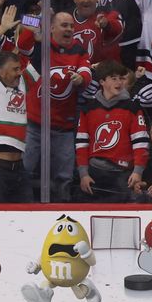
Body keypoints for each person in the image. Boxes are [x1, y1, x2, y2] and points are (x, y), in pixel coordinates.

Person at [23, 11, 93, 202]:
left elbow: (86, 70)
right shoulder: (41, 44)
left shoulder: (79, 49)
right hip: (34, 123)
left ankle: (63, 211)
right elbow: (23, 30)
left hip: (63, 126)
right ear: (51, 28)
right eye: (64, 25)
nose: (69, 29)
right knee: (25, 171)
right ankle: (22, 210)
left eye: (71, 26)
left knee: (64, 177)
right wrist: (39, 15)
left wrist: (82, 78)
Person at [0, 6, 39, 203]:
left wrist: (37, 33)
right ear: (0, 71)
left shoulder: (23, 83)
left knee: (26, 220)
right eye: (15, 69)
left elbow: (41, 60)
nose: (20, 72)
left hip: (19, 168)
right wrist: (1, 29)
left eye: (20, 68)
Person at [76, 60, 149, 202]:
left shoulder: (132, 108)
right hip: (94, 173)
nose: (119, 83)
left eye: (121, 78)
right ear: (102, 81)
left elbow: (140, 142)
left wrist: (137, 171)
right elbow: (81, 143)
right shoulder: (89, 109)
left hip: (121, 174)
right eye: (114, 78)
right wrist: (83, 174)